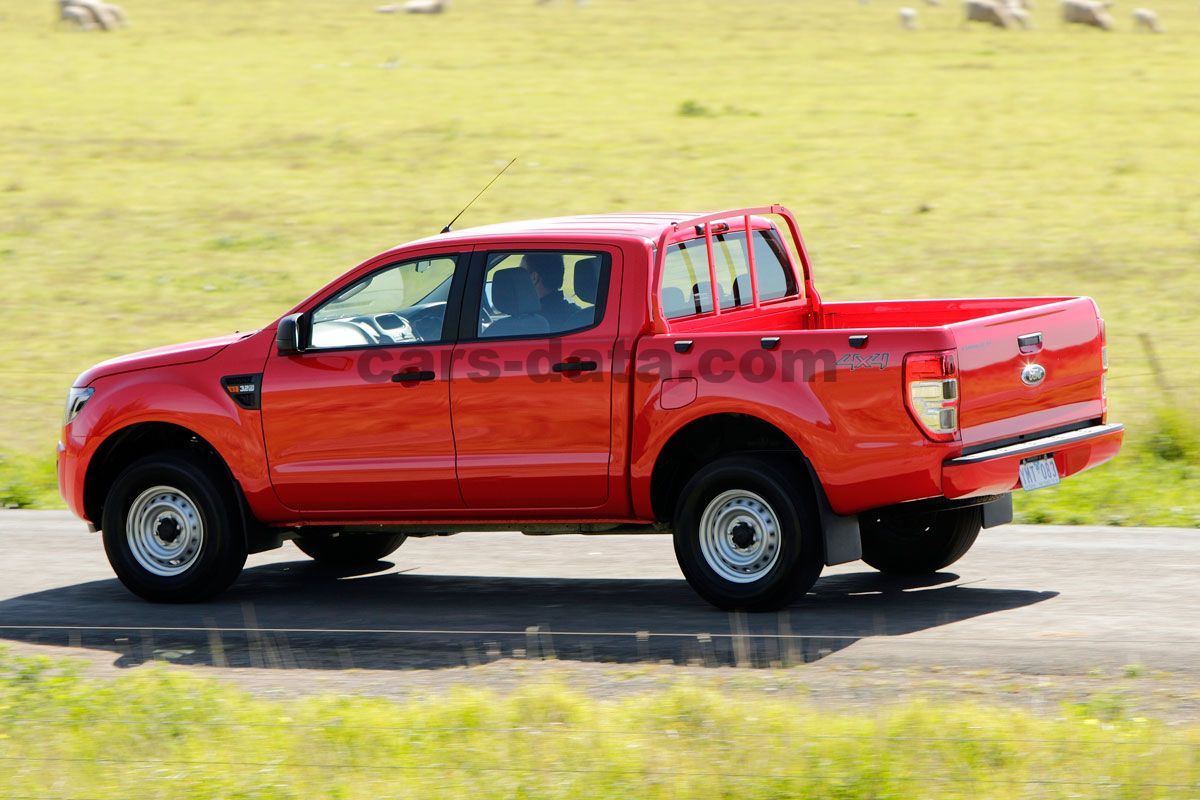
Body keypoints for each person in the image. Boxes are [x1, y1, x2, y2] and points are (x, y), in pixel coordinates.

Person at [521, 253, 578, 329]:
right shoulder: (577, 313)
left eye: (521, 273)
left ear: (534, 278)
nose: (518, 278)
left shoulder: (527, 323)